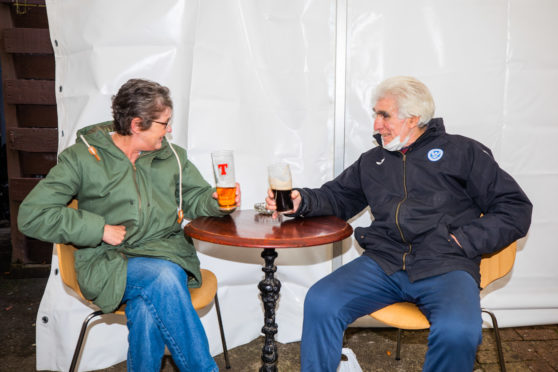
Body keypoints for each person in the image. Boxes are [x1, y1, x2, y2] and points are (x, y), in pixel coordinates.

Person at [265, 76, 532, 372]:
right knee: (321, 301)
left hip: (445, 265)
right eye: (375, 115)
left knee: (458, 331)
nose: (376, 125)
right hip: (384, 263)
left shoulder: (463, 152)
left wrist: (465, 241)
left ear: (414, 118)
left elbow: (515, 207)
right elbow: (337, 197)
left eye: (384, 115)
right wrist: (302, 200)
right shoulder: (373, 161)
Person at [18, 78, 240, 372]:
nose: (169, 130)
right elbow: (32, 214)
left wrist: (216, 200)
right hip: (107, 262)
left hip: (166, 253)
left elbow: (196, 197)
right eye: (164, 123)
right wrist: (98, 229)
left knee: (149, 304)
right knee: (162, 279)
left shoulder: (171, 157)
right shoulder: (82, 159)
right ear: (137, 124)